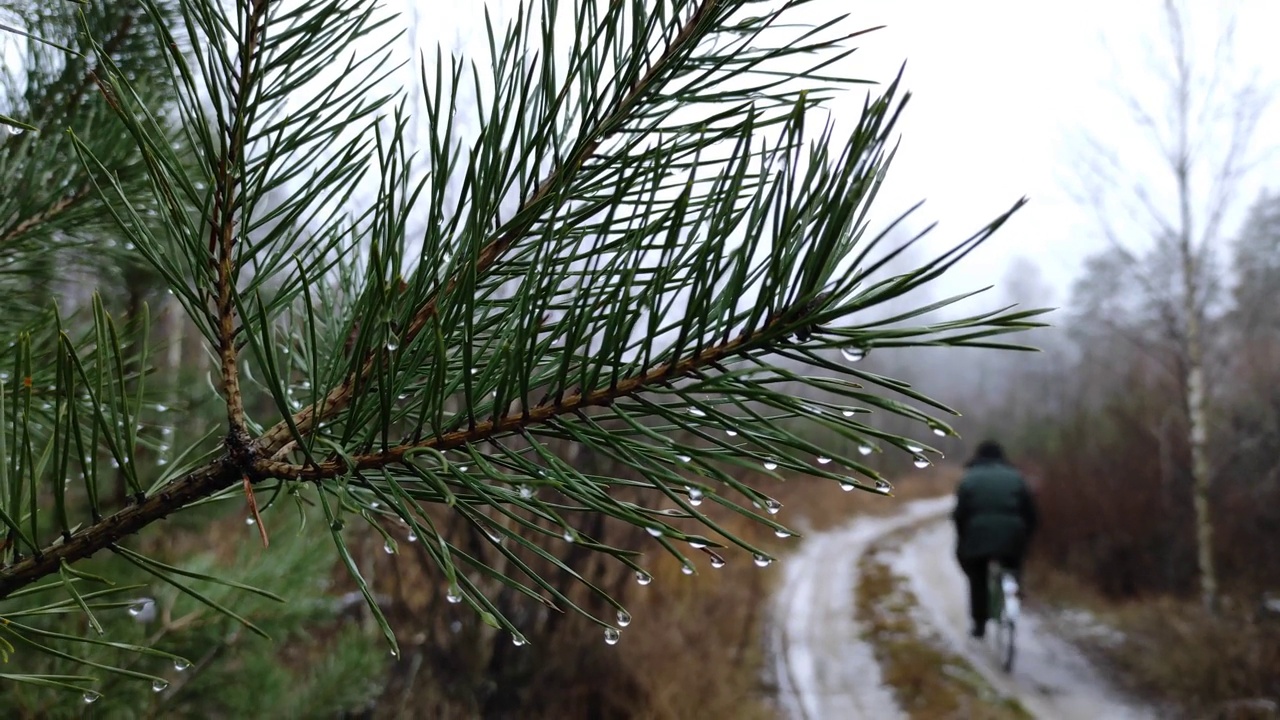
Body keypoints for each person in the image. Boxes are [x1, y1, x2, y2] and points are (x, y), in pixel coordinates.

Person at [952, 439, 1038, 639]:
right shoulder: (1016, 477)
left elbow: (959, 515)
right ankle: (1014, 592)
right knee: (1013, 566)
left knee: (977, 576)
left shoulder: (970, 478)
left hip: (978, 535)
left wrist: (963, 541)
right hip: (1012, 535)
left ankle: (979, 624)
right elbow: (1031, 515)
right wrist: (1025, 539)